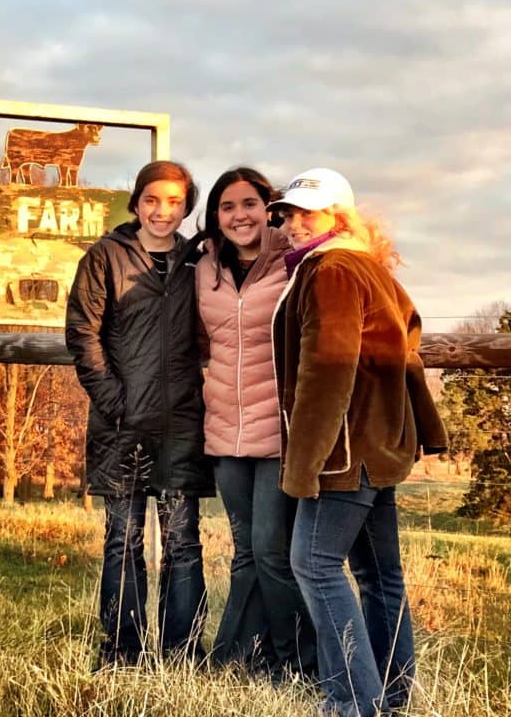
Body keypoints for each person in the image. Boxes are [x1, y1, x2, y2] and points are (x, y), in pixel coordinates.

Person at [269, 168, 447, 716]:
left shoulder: (332, 271)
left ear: (338, 217)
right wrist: (420, 429)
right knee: (378, 575)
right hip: (377, 445)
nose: (294, 225)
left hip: (343, 451)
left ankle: (353, 702)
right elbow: (408, 347)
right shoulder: (368, 267)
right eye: (288, 214)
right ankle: (390, 695)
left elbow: (328, 367)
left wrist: (305, 463)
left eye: (308, 213)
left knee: (314, 565)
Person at [66, 160, 212, 667]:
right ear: (136, 202)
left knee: (182, 542)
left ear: (186, 207)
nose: (162, 211)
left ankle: (182, 654)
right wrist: (114, 402)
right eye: (152, 199)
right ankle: (122, 651)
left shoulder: (198, 263)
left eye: (174, 202)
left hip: (183, 423)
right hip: (121, 425)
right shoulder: (104, 257)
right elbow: (82, 333)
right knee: (122, 541)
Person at [195, 168, 316, 676]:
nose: (239, 216)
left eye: (250, 204)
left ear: (269, 210)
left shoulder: (296, 261)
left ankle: (302, 663)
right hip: (224, 430)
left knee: (271, 550)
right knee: (246, 550)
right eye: (227, 207)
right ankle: (238, 658)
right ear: (215, 216)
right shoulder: (205, 267)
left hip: (280, 432)